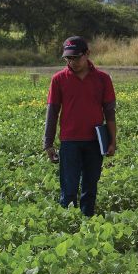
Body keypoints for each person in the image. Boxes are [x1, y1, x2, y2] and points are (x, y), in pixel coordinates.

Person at [44, 36, 117, 217]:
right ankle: (68, 227)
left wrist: (112, 141)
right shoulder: (59, 79)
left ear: (87, 54)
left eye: (76, 57)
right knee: (68, 188)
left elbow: (109, 113)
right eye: (68, 58)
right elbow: (52, 112)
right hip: (69, 142)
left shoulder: (103, 79)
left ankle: (87, 224)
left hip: (94, 141)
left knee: (90, 187)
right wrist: (48, 143)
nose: (72, 62)